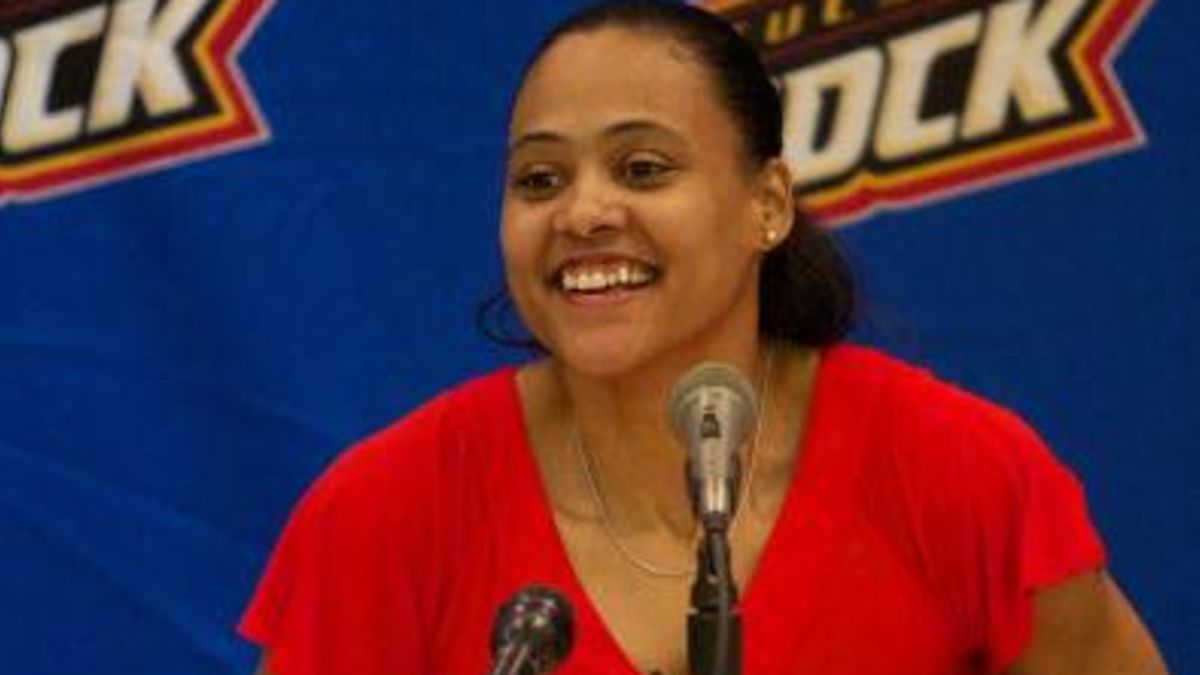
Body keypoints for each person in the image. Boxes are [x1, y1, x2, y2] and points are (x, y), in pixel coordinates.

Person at [239, 2, 1169, 673]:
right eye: (538, 180)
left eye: (643, 167)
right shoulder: (388, 512)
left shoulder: (955, 469)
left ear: (766, 206)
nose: (583, 211)